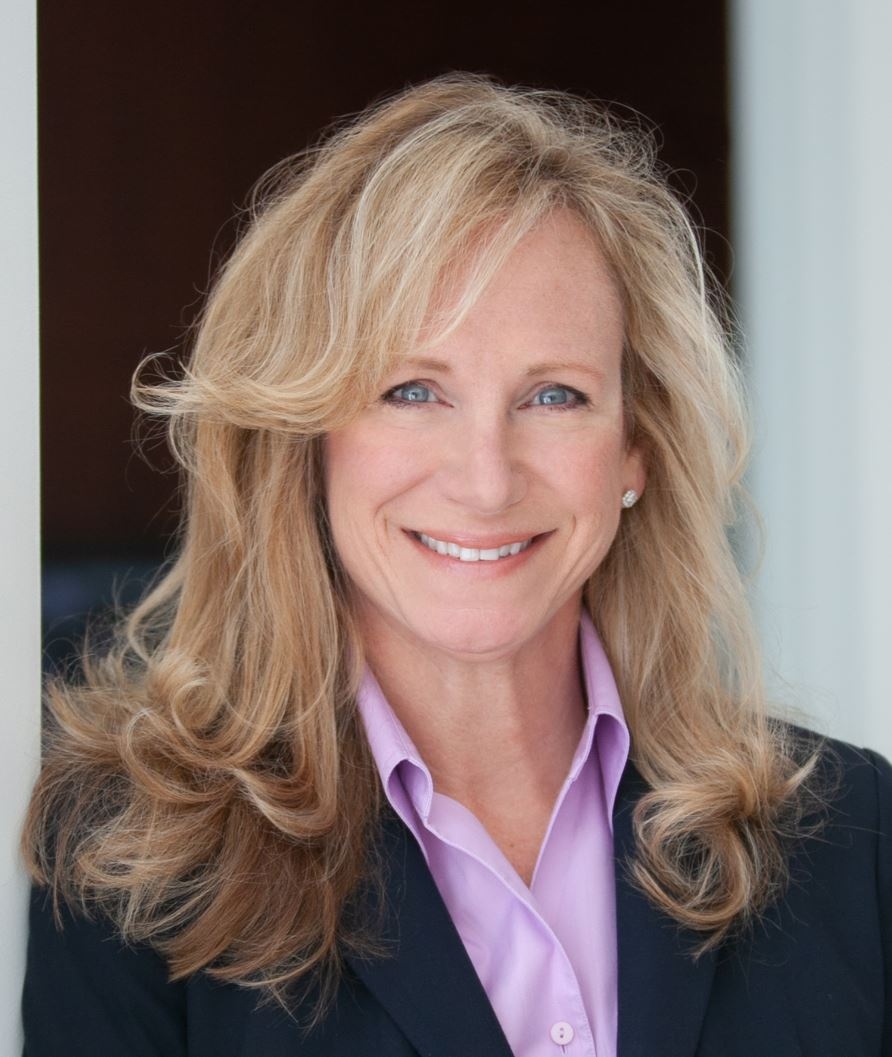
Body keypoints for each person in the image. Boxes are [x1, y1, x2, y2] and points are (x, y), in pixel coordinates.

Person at [21, 74, 892, 1057]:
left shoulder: (855, 842)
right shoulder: (135, 867)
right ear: (306, 437)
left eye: (555, 396)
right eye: (410, 390)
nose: (485, 479)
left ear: (635, 445)